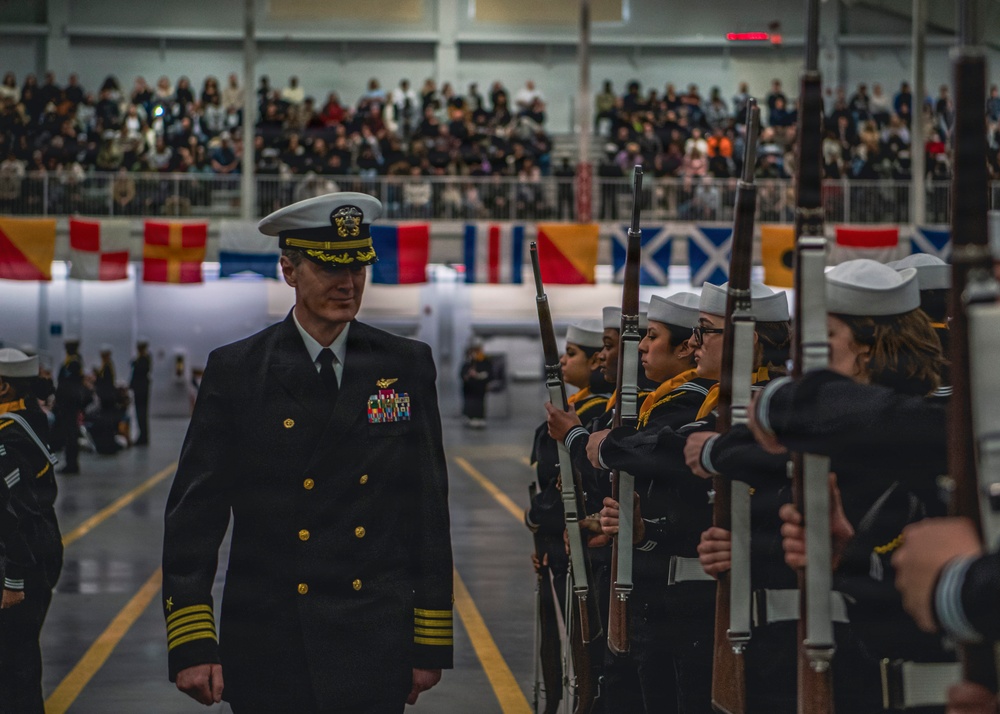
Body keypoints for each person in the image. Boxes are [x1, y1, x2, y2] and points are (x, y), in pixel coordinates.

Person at [161, 192, 453, 713]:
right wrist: (192, 641)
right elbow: (195, 514)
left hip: (373, 632)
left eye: (359, 266)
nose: (349, 282)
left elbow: (426, 506)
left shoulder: (404, 364)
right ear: (289, 270)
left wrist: (429, 640)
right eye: (330, 266)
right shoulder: (237, 370)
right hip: (270, 633)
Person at [0, 348, 63, 713]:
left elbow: (15, 511)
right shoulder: (29, 417)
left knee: (14, 667)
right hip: (41, 546)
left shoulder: (9, 435)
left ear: (3, 387)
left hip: (20, 559)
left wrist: (14, 580)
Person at [460, 339, 491, 428]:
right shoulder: (467, 363)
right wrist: (468, 375)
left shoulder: (485, 362)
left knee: (479, 403)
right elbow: (462, 374)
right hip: (469, 389)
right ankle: (470, 417)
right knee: (470, 403)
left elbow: (488, 374)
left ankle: (479, 418)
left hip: (480, 388)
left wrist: (478, 375)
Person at [129, 339, 151, 446]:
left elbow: (139, 373)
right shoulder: (142, 358)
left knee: (141, 413)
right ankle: (143, 435)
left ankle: (143, 436)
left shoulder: (143, 359)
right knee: (140, 413)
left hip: (141, 390)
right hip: (141, 389)